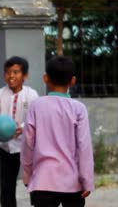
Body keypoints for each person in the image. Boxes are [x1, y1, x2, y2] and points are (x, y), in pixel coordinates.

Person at [21, 56, 95, 207]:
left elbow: (27, 144)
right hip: (72, 183)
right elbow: (84, 147)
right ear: (73, 81)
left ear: (46, 78)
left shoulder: (36, 106)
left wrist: (28, 176)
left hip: (42, 181)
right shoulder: (79, 109)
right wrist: (87, 180)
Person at [0, 56, 40, 207]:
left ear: (25, 75)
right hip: (6, 147)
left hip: (28, 146)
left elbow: (35, 117)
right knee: (7, 186)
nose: (11, 76)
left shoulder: (32, 95)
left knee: (34, 184)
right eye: (8, 72)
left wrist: (22, 127)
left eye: (16, 72)